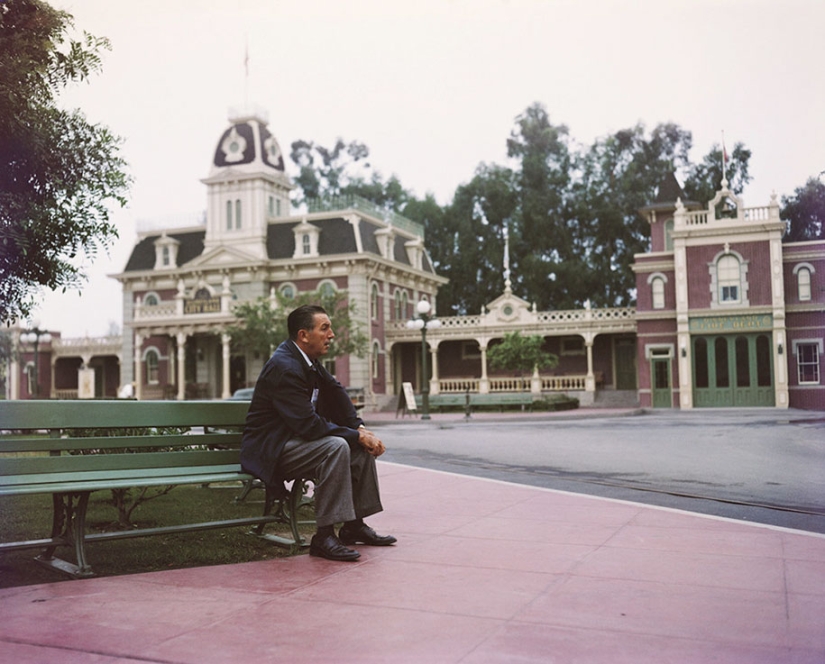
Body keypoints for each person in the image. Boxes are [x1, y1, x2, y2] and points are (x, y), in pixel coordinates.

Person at [241, 304, 396, 561]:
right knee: (335, 447)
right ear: (304, 335)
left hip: (292, 442)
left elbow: (335, 392)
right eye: (325, 328)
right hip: (270, 450)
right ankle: (324, 536)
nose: (332, 334)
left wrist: (359, 428)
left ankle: (353, 525)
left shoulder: (306, 360)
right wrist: (355, 435)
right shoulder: (285, 366)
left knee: (357, 445)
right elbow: (309, 426)